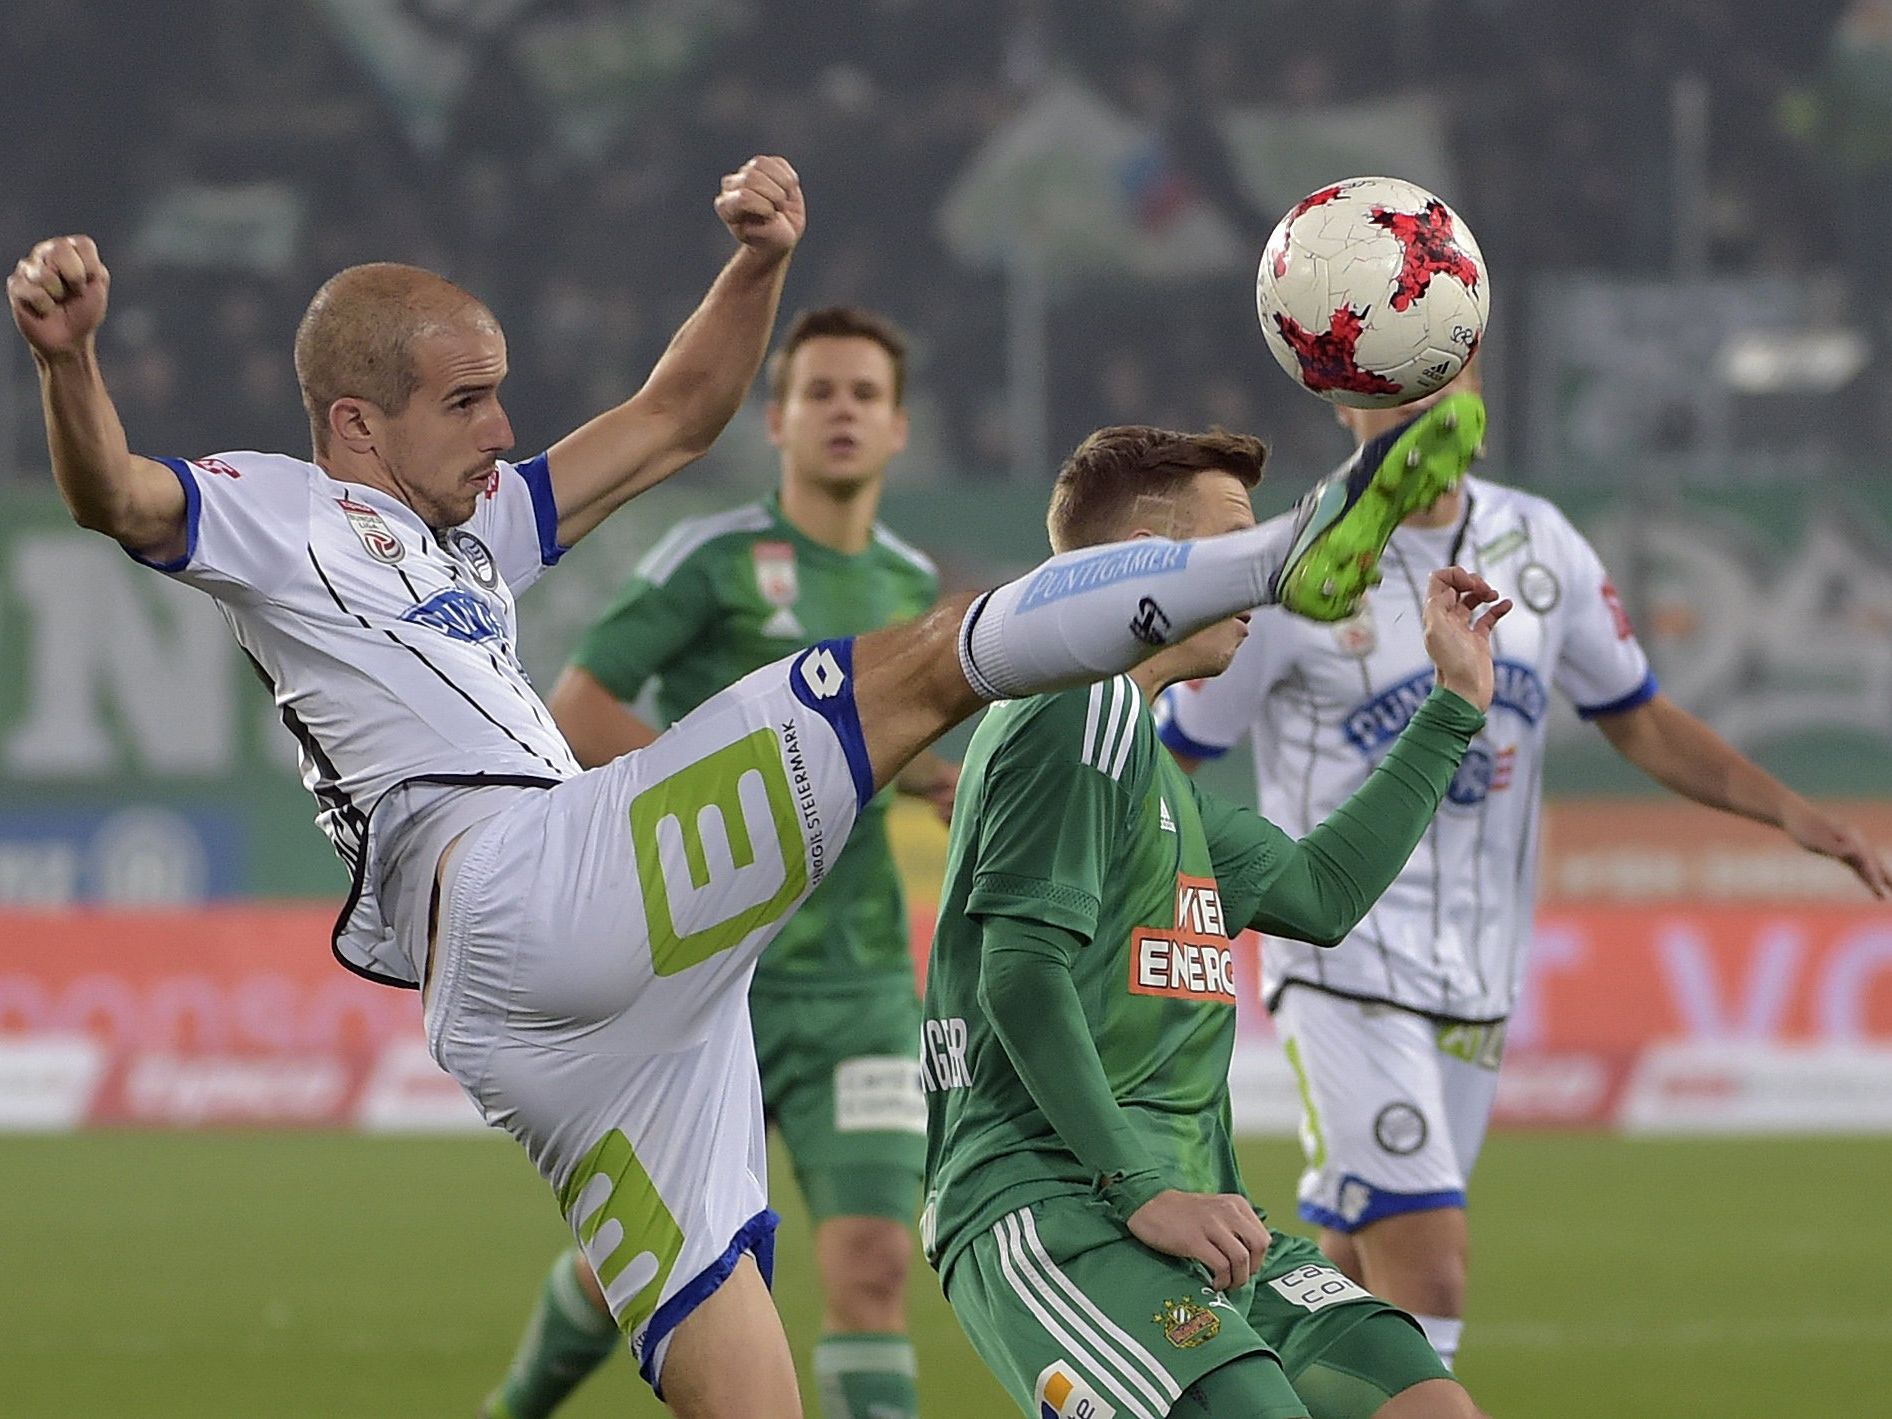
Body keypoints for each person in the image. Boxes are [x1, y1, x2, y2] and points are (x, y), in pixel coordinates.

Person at [10, 160, 1481, 1415]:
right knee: (913, 664)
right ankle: (1274, 554)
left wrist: (758, 262)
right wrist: (69, 364)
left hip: (570, 1018)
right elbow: (114, 494)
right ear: (354, 424)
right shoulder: (283, 511)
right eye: (468, 401)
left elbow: (676, 415)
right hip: (523, 881)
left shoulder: (471, 533)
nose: (503, 429)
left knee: (748, 1385)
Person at [1153, 364, 1892, 1375]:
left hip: (1481, 975)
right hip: (1340, 962)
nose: (1422, 395)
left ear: (1474, 381)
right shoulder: (1295, 574)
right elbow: (1172, 753)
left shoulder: (1541, 542)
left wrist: (1791, 812)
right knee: (1431, 1263)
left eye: (1441, 363)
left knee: (1351, 1268)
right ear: (1342, 401)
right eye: (1388, 372)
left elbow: (1635, 715)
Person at [922, 423, 1507, 1419]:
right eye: (1236, 543)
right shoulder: (1073, 703)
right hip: (1057, 1205)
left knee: (1426, 1405)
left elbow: (1320, 894)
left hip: (1204, 1219)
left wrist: (1453, 702)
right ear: (1143, 562)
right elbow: (1018, 973)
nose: (1259, 577)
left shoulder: (1152, 772)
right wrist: (1138, 1186)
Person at [483, 306, 953, 1419]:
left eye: (865, 395)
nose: (842, 412)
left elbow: (882, 746)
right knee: (630, 1268)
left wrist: (929, 777)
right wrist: (740, 805)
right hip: (703, 985)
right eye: (818, 392)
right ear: (775, 421)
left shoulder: (908, 583)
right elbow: (578, 707)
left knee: (875, 1264)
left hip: (860, 987)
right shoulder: (713, 559)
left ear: (898, 429)